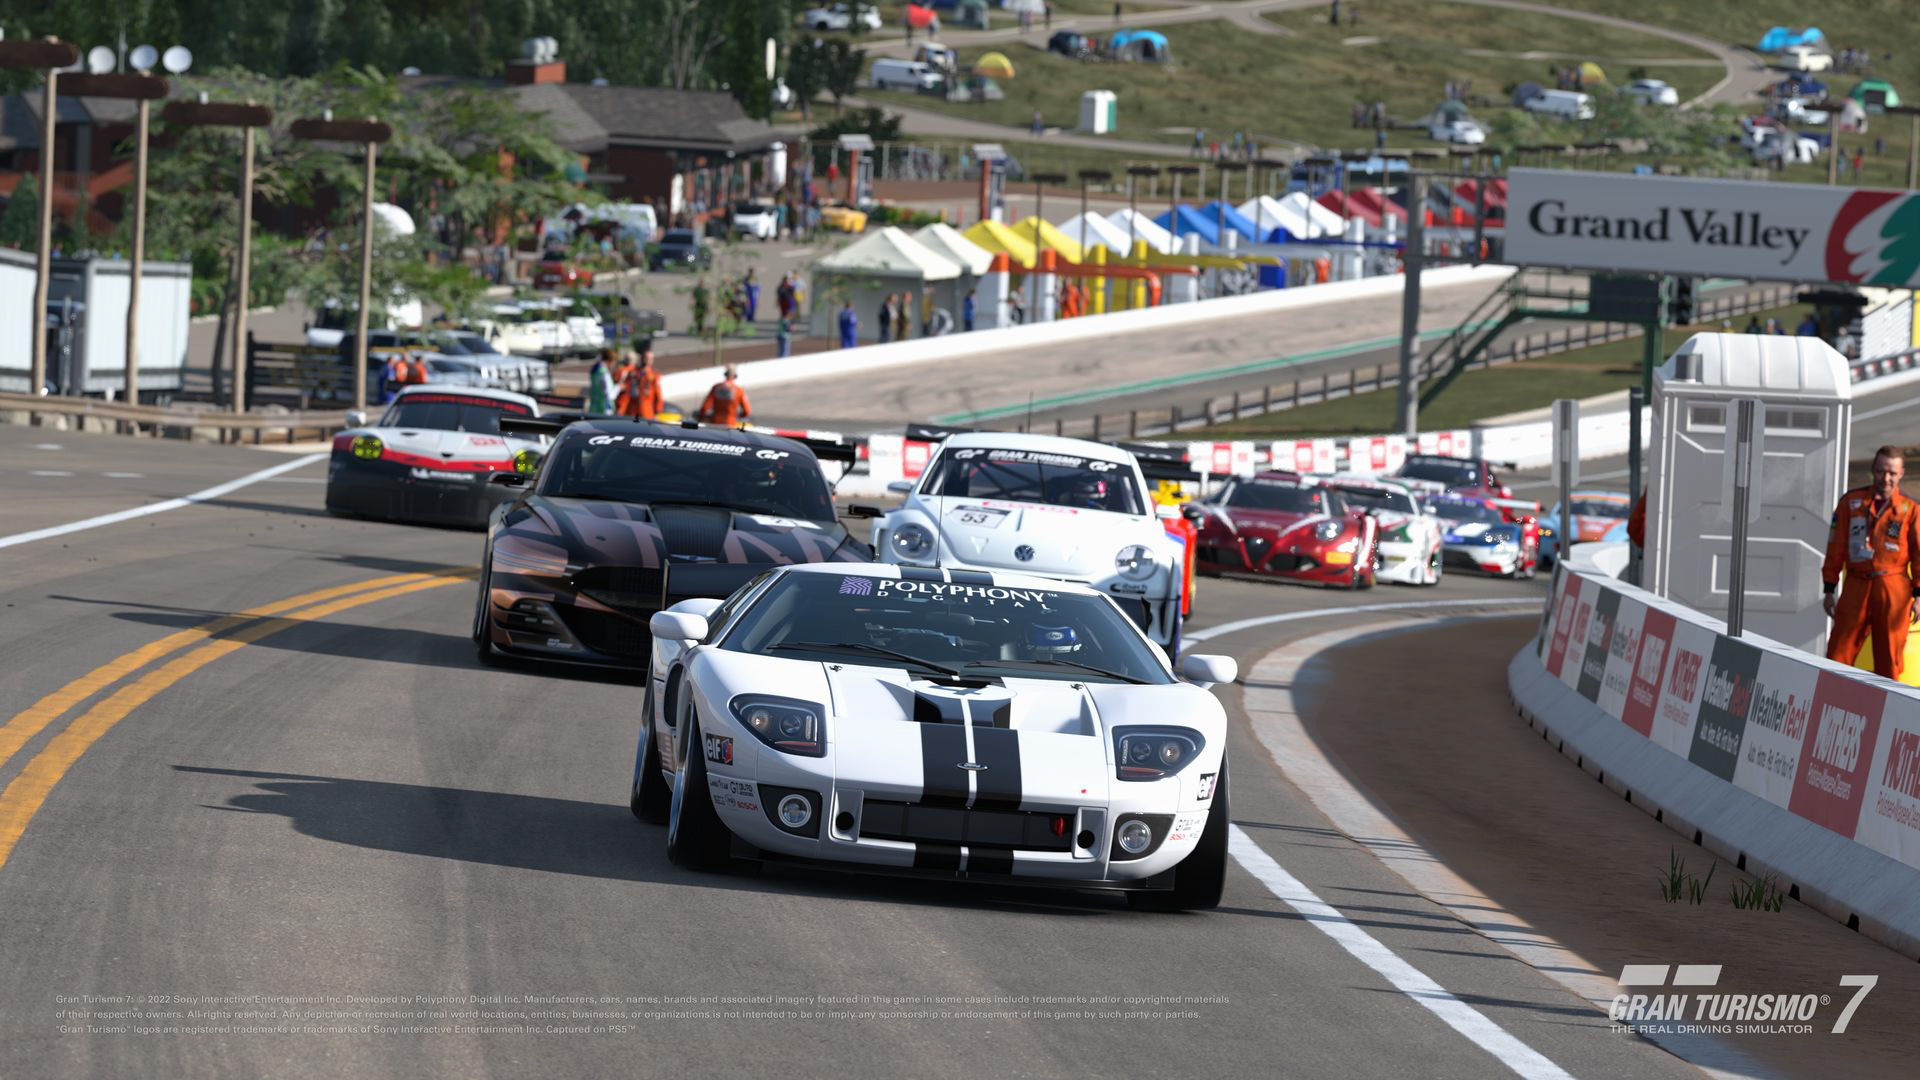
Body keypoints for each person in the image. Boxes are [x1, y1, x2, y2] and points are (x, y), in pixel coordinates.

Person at [1824, 447, 1920, 680]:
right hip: (1856, 583)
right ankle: (1832, 696)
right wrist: (1829, 587)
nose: (1885, 479)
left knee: (1889, 658)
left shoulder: (1910, 509)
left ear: (1901, 474)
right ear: (1872, 470)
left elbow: (1919, 555)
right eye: (1880, 472)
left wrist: (1919, 595)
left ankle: (1889, 701)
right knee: (1838, 654)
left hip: (1893, 587)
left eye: (1892, 473)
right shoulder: (1851, 502)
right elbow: (1836, 546)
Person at [619, 350, 664, 420]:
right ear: (642, 358)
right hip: (633, 411)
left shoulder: (654, 375)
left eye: (650, 358)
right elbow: (625, 391)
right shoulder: (633, 372)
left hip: (647, 412)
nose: (648, 360)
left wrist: (658, 411)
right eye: (646, 358)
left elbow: (658, 395)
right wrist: (621, 409)